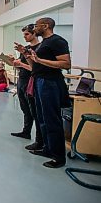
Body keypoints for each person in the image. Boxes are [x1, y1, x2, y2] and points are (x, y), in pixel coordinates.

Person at [16, 17, 71, 168]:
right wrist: (26, 55)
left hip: (50, 83)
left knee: (52, 119)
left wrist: (40, 60)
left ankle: (58, 157)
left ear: (45, 26)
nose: (34, 28)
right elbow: (35, 66)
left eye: (37, 26)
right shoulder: (44, 44)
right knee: (42, 118)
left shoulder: (57, 41)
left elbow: (66, 64)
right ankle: (47, 148)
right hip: (39, 81)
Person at [11, 24, 43, 151]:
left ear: (34, 34)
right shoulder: (26, 49)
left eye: (27, 34)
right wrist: (13, 62)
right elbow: (21, 65)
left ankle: (39, 140)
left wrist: (22, 65)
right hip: (22, 80)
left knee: (34, 110)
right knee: (25, 108)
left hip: (31, 81)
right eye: (23, 34)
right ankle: (26, 131)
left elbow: (35, 68)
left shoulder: (39, 48)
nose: (24, 37)